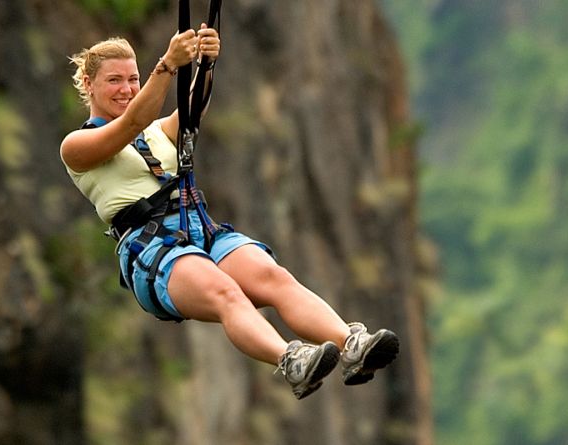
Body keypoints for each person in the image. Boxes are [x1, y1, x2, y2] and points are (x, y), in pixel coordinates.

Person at [60, 25, 399, 399]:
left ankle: (349, 343)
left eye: (133, 79)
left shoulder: (158, 131)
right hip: (153, 250)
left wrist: (206, 64)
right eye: (114, 81)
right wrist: (168, 65)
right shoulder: (78, 147)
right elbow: (132, 123)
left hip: (198, 229)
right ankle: (290, 360)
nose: (126, 89)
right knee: (225, 292)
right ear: (89, 85)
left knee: (273, 276)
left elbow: (191, 111)